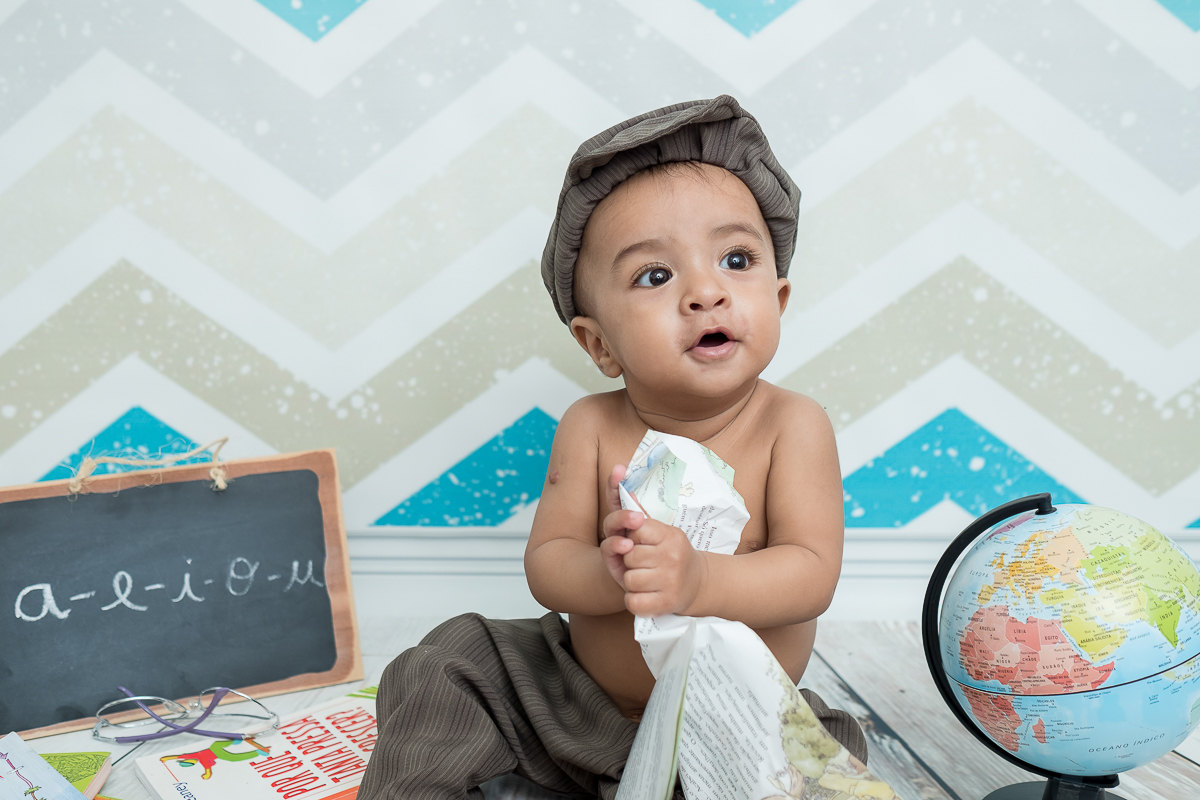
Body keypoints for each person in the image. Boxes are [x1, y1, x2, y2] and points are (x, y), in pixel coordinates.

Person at [358, 96, 864, 800]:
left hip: (727, 725)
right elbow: (547, 565)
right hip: (578, 704)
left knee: (828, 751)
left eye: (737, 258)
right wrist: (612, 572)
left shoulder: (792, 425)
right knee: (451, 658)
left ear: (778, 300)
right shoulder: (592, 425)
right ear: (598, 345)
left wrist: (696, 584)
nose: (706, 292)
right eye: (656, 276)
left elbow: (811, 575)